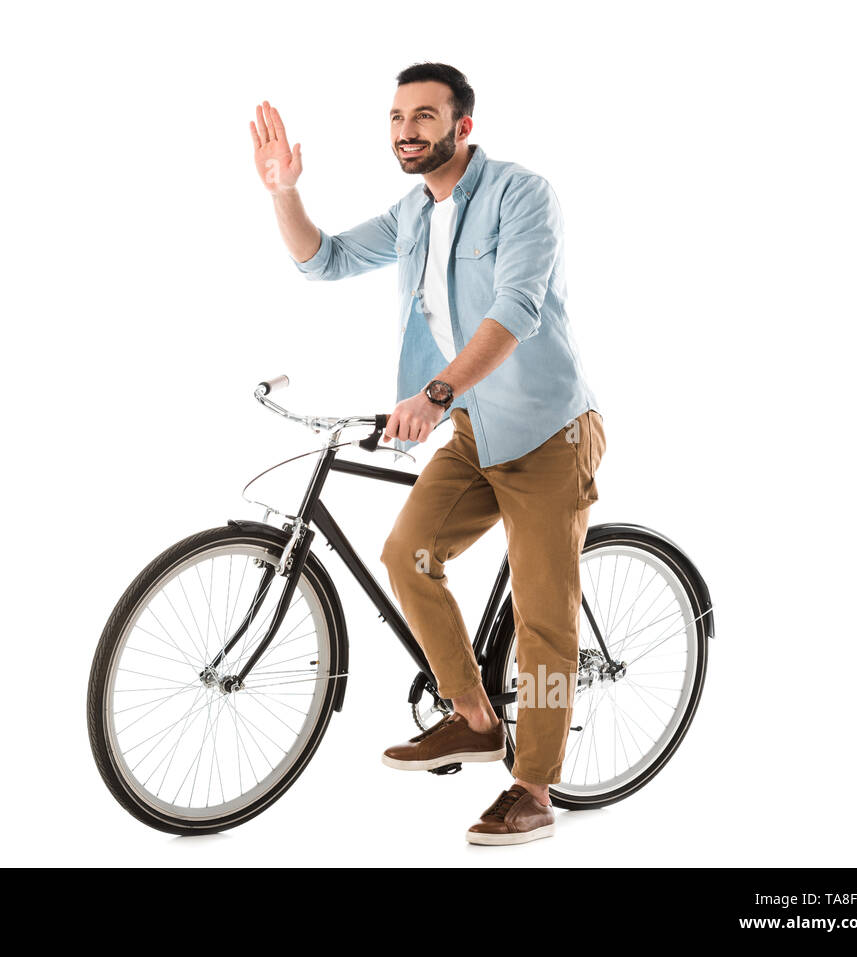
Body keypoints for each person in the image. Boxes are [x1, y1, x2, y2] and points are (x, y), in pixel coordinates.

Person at [252, 62, 605, 846]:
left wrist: (437, 394)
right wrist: (284, 190)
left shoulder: (522, 194)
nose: (406, 130)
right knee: (407, 552)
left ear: (462, 126)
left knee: (543, 619)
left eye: (423, 116)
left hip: (549, 432)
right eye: (395, 117)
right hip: (480, 427)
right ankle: (476, 717)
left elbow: (517, 307)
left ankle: (535, 789)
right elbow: (326, 259)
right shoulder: (416, 212)